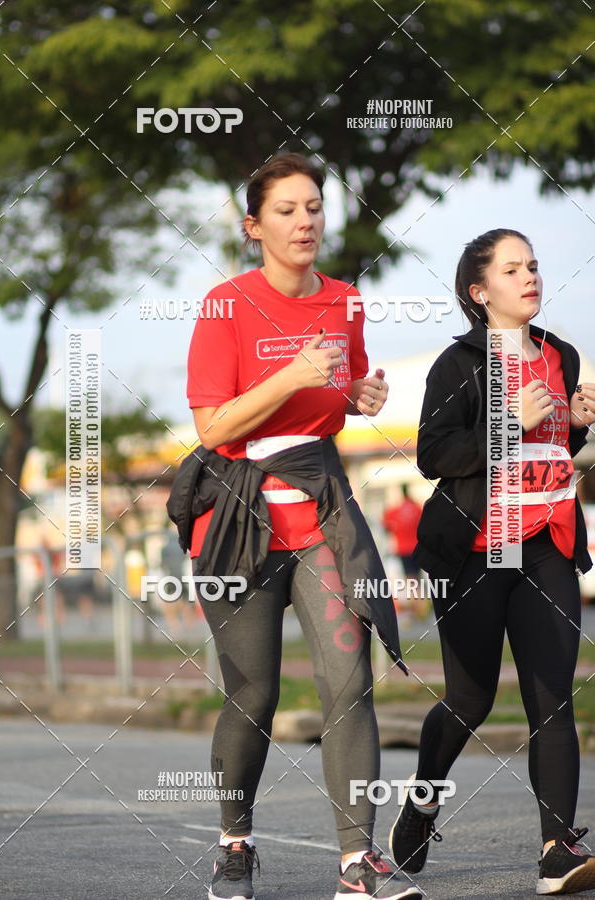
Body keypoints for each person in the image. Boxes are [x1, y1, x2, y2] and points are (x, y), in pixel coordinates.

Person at [184, 153, 421, 900]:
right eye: (286, 210)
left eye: (314, 205)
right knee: (252, 694)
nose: (306, 220)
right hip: (238, 523)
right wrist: (289, 377)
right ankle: (233, 844)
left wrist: (361, 394)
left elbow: (339, 386)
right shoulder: (225, 306)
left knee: (350, 684)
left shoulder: (346, 300)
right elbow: (212, 423)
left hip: (323, 516)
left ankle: (358, 864)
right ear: (254, 227)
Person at [388, 228, 595, 895]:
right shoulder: (460, 364)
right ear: (480, 292)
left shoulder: (561, 354)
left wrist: (581, 420)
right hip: (478, 546)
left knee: (552, 701)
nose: (530, 277)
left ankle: (557, 853)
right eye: (513, 269)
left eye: (534, 265)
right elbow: (434, 454)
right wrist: (509, 421)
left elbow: (558, 445)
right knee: (470, 700)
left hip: (547, 542)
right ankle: (422, 802)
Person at [382, 485, 425, 620]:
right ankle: (419, 608)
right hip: (417, 548)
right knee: (417, 579)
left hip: (403, 549)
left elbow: (386, 525)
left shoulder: (396, 510)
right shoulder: (418, 508)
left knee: (410, 579)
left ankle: (415, 610)